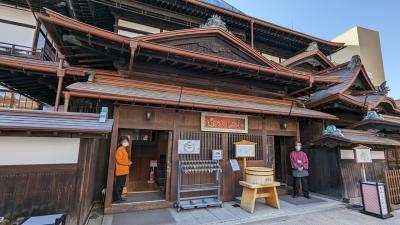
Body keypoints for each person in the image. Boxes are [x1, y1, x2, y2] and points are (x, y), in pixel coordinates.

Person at [113, 137, 132, 203]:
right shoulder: (120, 149)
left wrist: (128, 161)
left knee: (121, 185)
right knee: (119, 185)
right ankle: (116, 198)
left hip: (124, 171)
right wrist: (128, 162)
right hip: (120, 171)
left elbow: (123, 160)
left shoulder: (124, 149)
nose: (126, 142)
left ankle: (119, 197)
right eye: (124, 141)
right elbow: (119, 160)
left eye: (127, 141)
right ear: (121, 142)